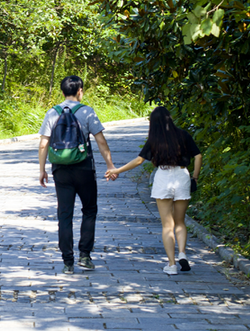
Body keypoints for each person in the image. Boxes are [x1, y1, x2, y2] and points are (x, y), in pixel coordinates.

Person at [106, 106, 201, 276]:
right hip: (182, 176)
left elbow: (139, 161)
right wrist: (195, 177)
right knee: (180, 221)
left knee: (167, 225)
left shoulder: (154, 140)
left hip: (163, 176)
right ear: (170, 119)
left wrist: (117, 171)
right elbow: (198, 156)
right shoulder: (183, 135)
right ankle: (182, 253)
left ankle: (171, 265)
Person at [39, 76, 116, 274]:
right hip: (84, 169)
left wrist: (42, 170)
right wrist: (110, 165)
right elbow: (101, 141)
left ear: (62, 91)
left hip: (60, 170)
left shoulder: (52, 113)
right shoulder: (87, 112)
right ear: (80, 90)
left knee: (64, 214)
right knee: (89, 210)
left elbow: (43, 143)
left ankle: (67, 262)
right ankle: (85, 256)